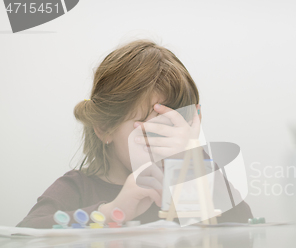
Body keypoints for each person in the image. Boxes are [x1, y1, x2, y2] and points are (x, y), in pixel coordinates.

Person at [17, 39, 252, 229]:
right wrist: (110, 212)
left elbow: (243, 230)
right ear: (104, 127)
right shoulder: (77, 188)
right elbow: (26, 232)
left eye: (175, 129)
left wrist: (194, 159)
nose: (168, 144)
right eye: (151, 131)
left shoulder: (194, 184)